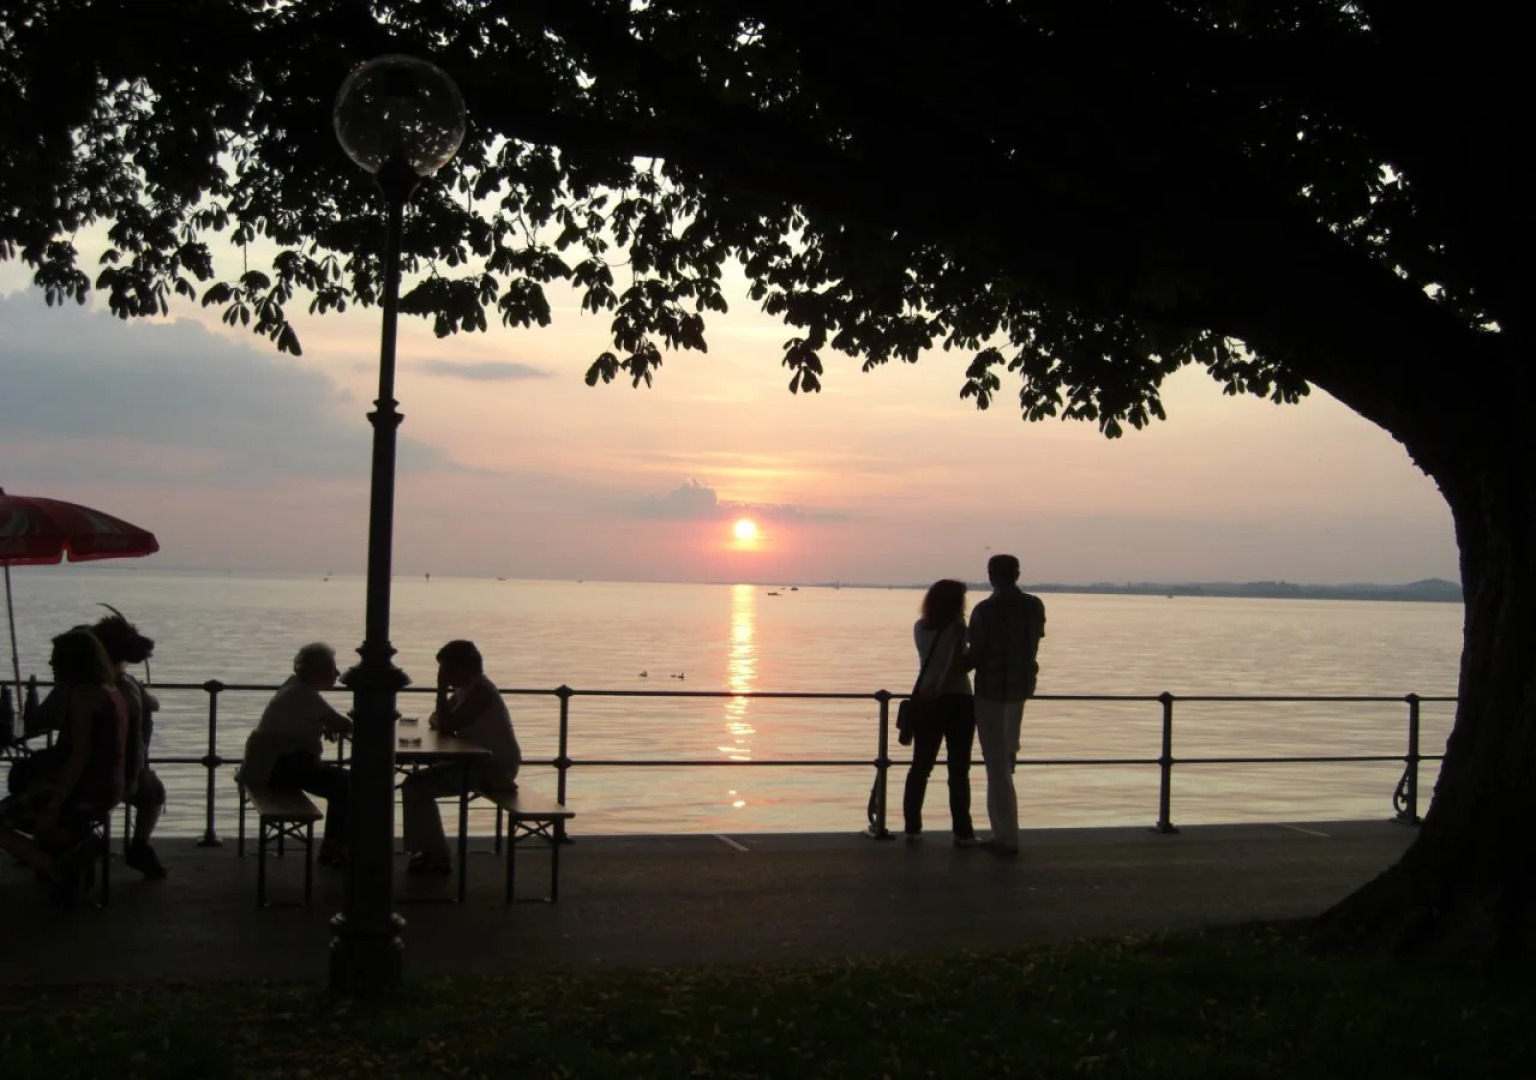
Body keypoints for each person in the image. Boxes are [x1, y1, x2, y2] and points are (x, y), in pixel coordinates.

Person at [0, 627, 128, 898]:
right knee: (29, 797)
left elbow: (79, 757)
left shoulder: (83, 696)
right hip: (110, 785)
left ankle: (57, 868)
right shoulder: (111, 691)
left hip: (88, 789)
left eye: (55, 659)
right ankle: (73, 846)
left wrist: (55, 804)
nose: (50, 664)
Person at [401, 640, 520, 876]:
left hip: (495, 769)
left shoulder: (481, 692)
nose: (443, 674)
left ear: (464, 667)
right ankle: (426, 850)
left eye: (446, 669)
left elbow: (444, 724)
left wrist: (440, 689)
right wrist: (445, 710)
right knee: (414, 784)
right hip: (475, 763)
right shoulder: (466, 690)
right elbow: (437, 719)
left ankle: (435, 854)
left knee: (416, 786)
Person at [240, 643, 353, 866]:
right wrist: (329, 724)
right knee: (348, 786)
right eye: (332, 668)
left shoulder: (294, 687)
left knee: (345, 783)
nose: (337, 674)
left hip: (269, 765)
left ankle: (336, 845)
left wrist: (324, 725)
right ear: (315, 671)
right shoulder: (304, 695)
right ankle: (336, 847)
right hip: (278, 769)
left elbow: (317, 721)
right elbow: (344, 723)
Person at [966, 554, 1047, 855]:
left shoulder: (985, 610)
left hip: (991, 691)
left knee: (996, 766)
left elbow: (976, 655)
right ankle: (1007, 832)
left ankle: (1005, 836)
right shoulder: (1034, 605)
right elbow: (1034, 640)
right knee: (1007, 759)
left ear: (990, 575)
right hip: (1021, 688)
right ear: (1018, 573)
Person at [90, 608, 169, 879]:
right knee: (155, 792)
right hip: (128, 774)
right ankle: (139, 843)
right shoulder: (128, 685)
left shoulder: (88, 685)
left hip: (95, 774)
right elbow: (154, 705)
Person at [902, 579, 979, 846]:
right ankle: (963, 832)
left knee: (920, 766)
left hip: (924, 701)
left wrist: (932, 689)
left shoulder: (919, 627)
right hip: (957, 699)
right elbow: (954, 663)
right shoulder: (958, 628)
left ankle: (912, 827)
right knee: (958, 769)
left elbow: (933, 660)